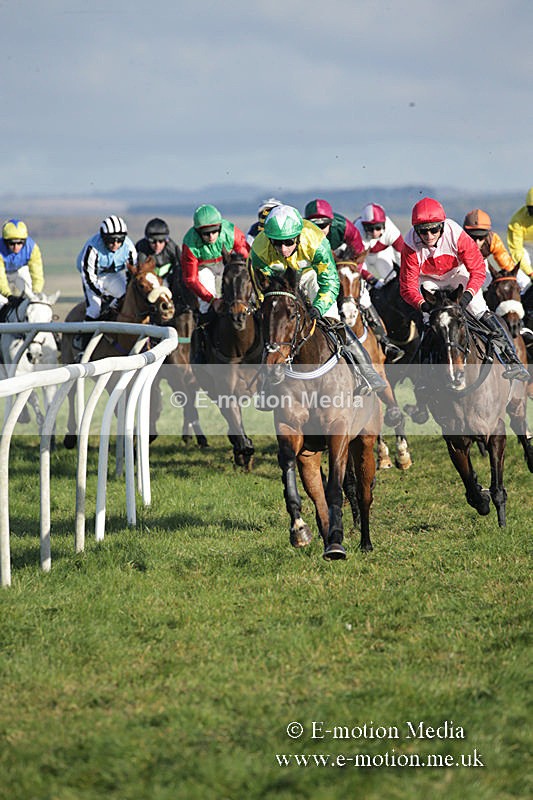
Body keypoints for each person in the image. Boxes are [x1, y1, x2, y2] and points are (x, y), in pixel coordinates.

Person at [400, 198, 529, 419]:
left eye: (433, 230)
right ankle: (422, 384)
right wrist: (424, 305)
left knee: (481, 311)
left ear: (441, 226)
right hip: (429, 281)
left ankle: (512, 360)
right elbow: (407, 286)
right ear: (416, 230)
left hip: (459, 275)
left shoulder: (455, 233)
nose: (429, 236)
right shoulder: (410, 244)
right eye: (423, 231)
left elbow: (478, 269)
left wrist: (467, 296)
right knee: (427, 322)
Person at [250, 204, 387, 394]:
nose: (283, 248)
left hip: (311, 275)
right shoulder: (258, 250)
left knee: (333, 320)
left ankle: (366, 372)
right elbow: (261, 287)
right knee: (271, 323)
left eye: (289, 242)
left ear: (298, 236)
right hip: (280, 281)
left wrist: (319, 308)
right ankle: (266, 382)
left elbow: (330, 281)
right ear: (268, 239)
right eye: (277, 243)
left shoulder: (315, 242)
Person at [305, 198, 404, 362]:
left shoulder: (347, 228)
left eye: (323, 225)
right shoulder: (302, 232)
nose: (319, 230)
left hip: (343, 259)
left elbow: (358, 256)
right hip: (319, 263)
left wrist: (356, 279)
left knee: (364, 298)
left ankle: (384, 342)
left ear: (331, 222)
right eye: (314, 225)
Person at [74, 215, 137, 353]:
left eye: (119, 240)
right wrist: (103, 295)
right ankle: (83, 347)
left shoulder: (129, 248)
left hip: (112, 275)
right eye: (110, 241)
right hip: (93, 276)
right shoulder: (93, 247)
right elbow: (88, 276)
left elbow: (133, 274)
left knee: (124, 300)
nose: (115, 244)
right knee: (95, 309)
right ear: (103, 238)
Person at [462, 209, 527, 289]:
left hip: (480, 262)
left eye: (481, 237)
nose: (477, 242)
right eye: (473, 237)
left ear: (487, 234)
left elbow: (506, 264)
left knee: (522, 281)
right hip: (460, 266)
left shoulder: (493, 240)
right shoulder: (458, 239)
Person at [136, 217, 192, 306]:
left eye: (161, 241)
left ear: (166, 240)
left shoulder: (172, 248)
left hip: (168, 280)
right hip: (149, 284)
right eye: (153, 241)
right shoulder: (142, 248)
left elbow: (181, 266)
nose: (157, 245)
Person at [353, 202, 404, 283]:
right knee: (360, 281)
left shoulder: (392, 231)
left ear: (384, 225)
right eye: (370, 228)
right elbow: (356, 262)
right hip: (363, 257)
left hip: (383, 253)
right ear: (364, 226)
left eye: (378, 228)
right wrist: (370, 279)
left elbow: (402, 256)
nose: (374, 233)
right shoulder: (357, 231)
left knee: (391, 279)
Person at [0, 218, 45, 309]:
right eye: (11, 243)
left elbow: (37, 273)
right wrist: (8, 295)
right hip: (3, 274)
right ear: (5, 242)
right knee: (2, 300)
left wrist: (36, 292)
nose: (16, 247)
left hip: (19, 271)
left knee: (31, 293)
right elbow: (1, 276)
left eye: (20, 243)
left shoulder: (32, 248)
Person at [507, 187, 533, 287]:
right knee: (522, 278)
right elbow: (517, 251)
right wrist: (530, 273)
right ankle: (523, 293)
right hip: (524, 250)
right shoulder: (517, 220)